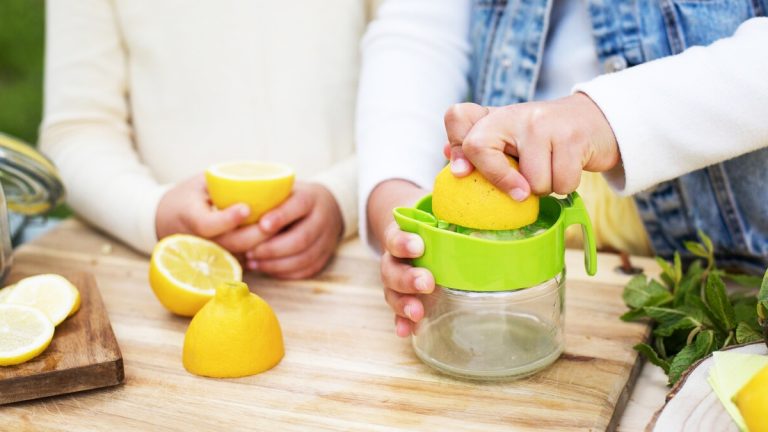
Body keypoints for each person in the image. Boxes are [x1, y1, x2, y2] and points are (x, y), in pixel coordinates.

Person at [357, 0, 768, 336]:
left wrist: (607, 115)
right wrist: (395, 193)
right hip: (508, 205)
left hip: (729, 275)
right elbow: (420, 34)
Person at [41, 0, 376, 279]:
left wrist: (342, 197)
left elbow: (418, 104)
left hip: (358, 259)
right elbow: (76, 129)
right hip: (161, 272)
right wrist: (152, 213)